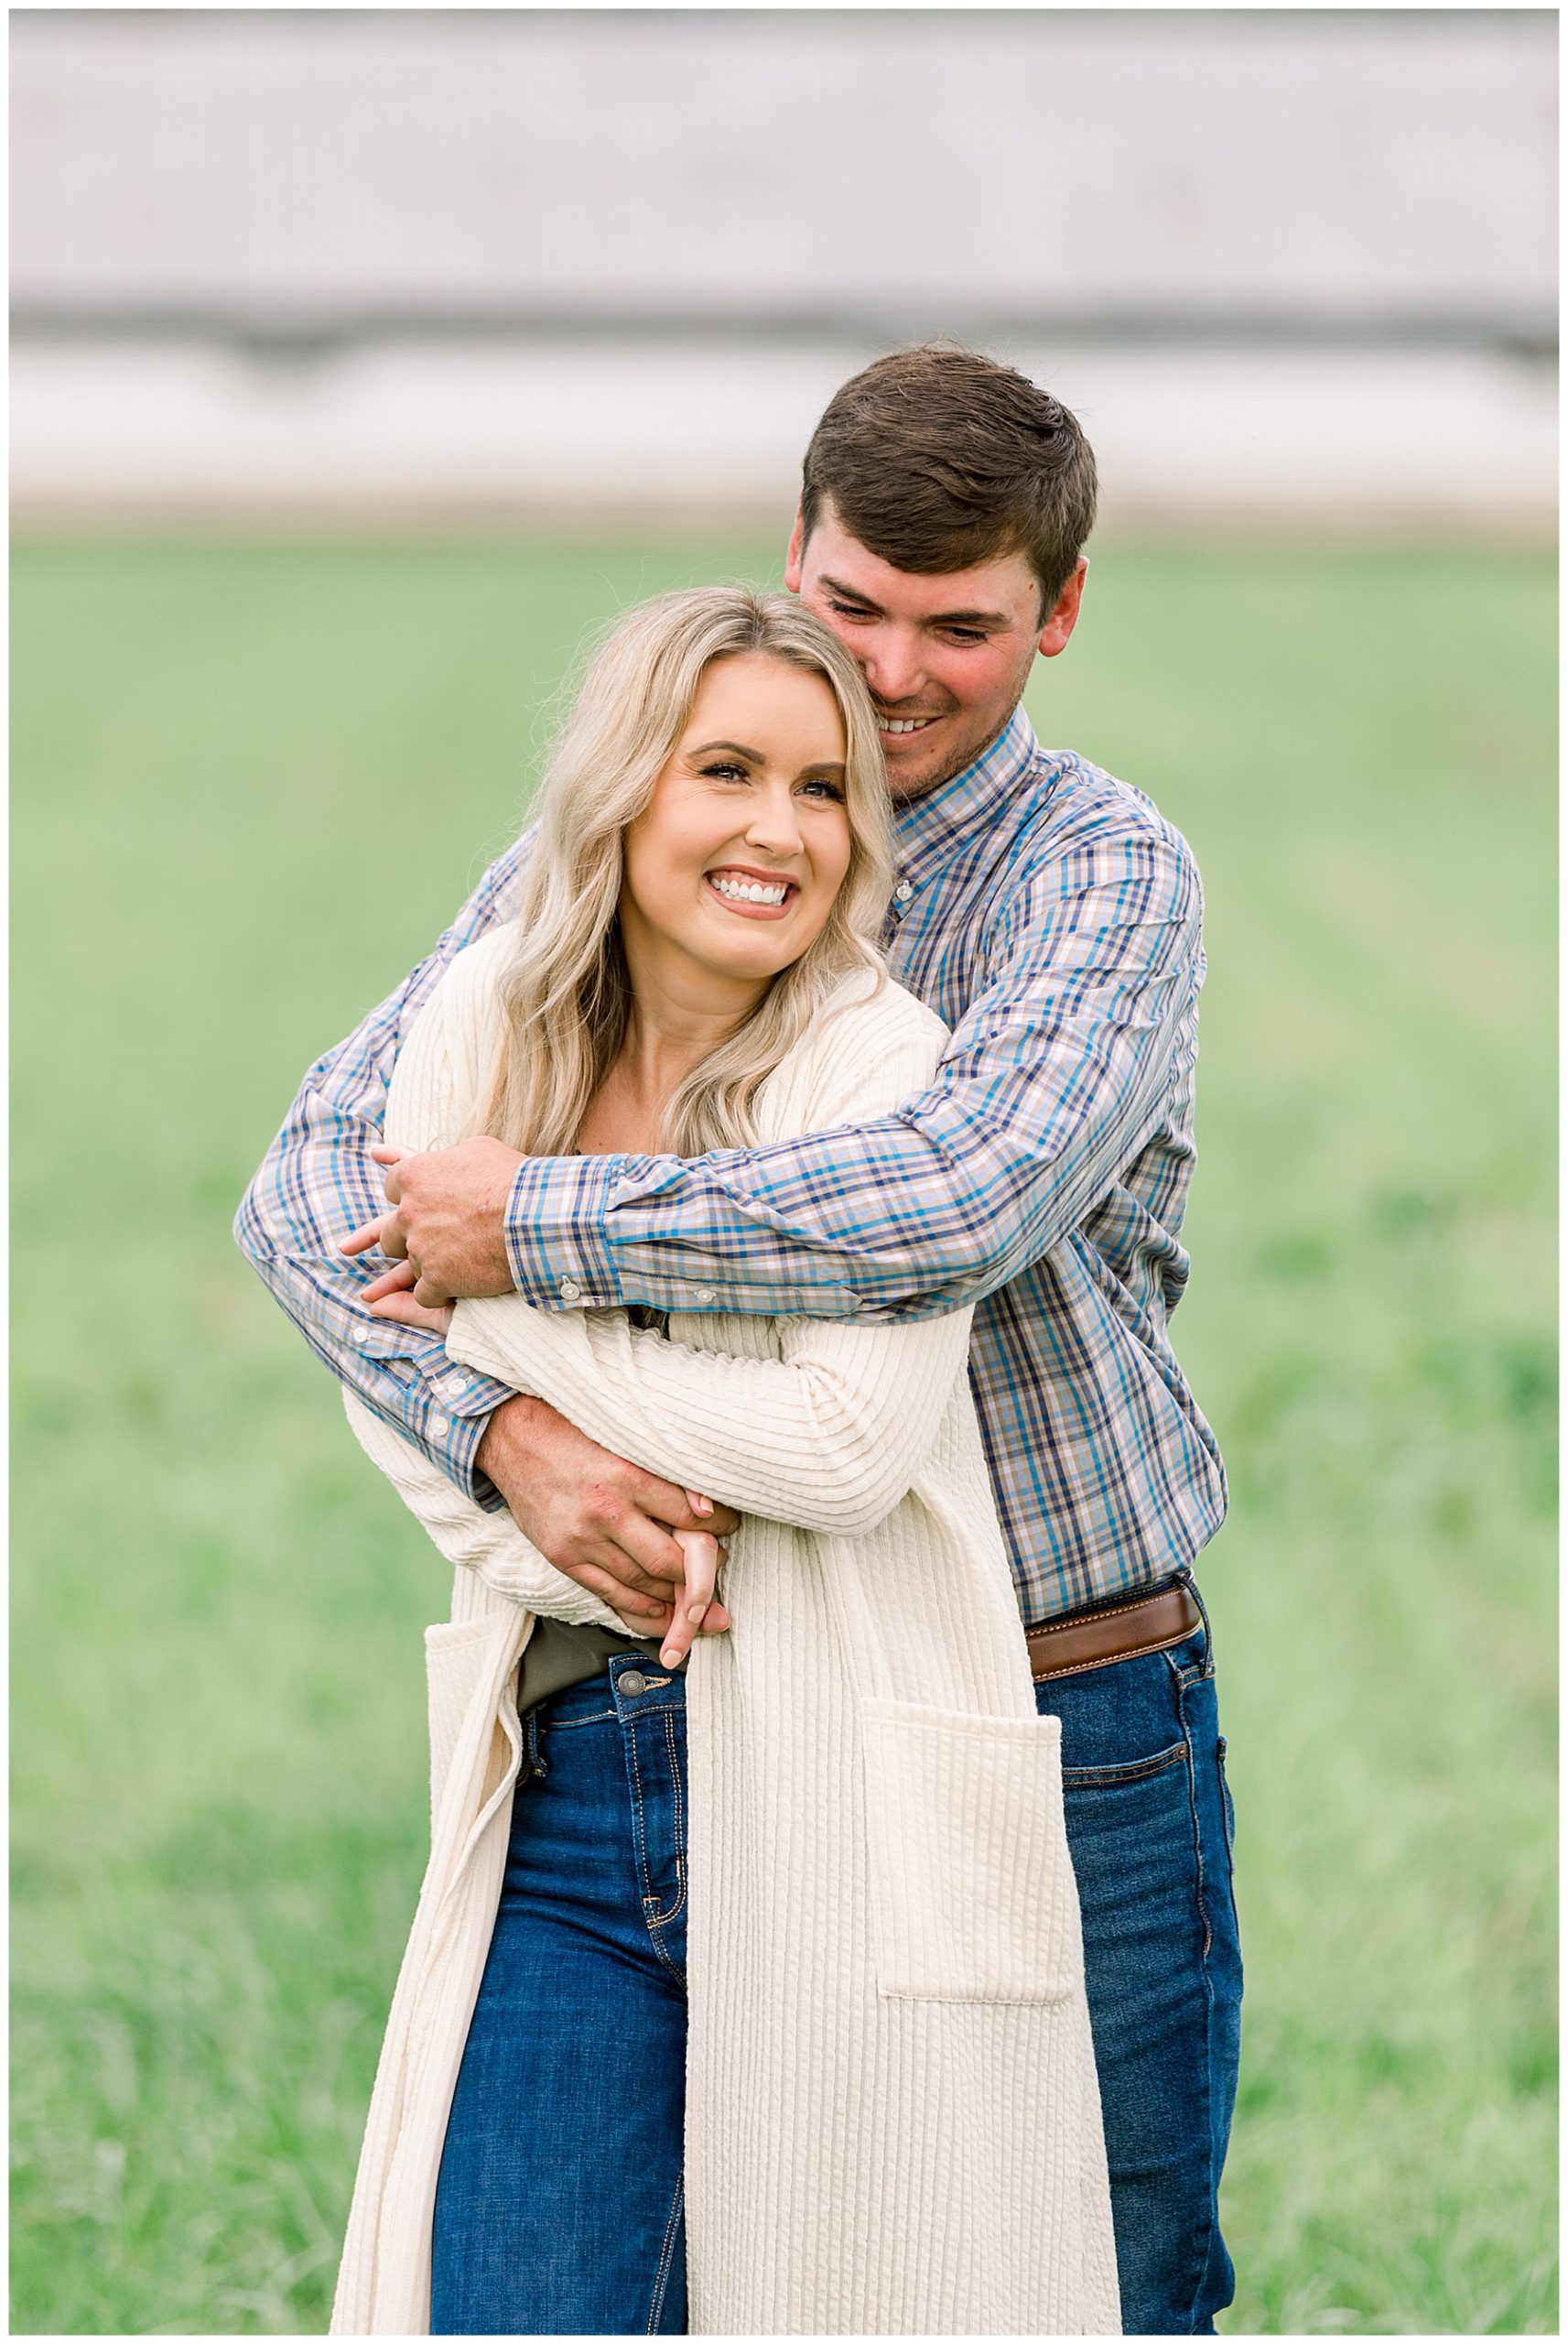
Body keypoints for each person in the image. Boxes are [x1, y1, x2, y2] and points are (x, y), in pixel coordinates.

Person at [237, 342, 1242, 2336]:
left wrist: (522, 1229)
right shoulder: (609, 855)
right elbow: (308, 1190)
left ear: (1053, 613)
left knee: (1090, 2282)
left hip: (1051, 1696)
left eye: (958, 628)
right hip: (667, 1699)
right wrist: (498, 1431)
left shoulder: (1094, 872)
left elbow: (946, 1198)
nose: (887, 676)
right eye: (851, 604)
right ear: (795, 554)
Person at [320, 586, 1119, 2336]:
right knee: (510, 2300)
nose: (780, 831)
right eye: (729, 771)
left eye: (825, 788)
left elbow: (842, 1449)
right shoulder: (485, 1024)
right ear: (624, 790)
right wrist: (544, 1484)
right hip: (565, 1787)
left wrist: (503, 1304)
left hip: (834, 1761)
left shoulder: (873, 1060)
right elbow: (395, 1402)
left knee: (853, 2292)